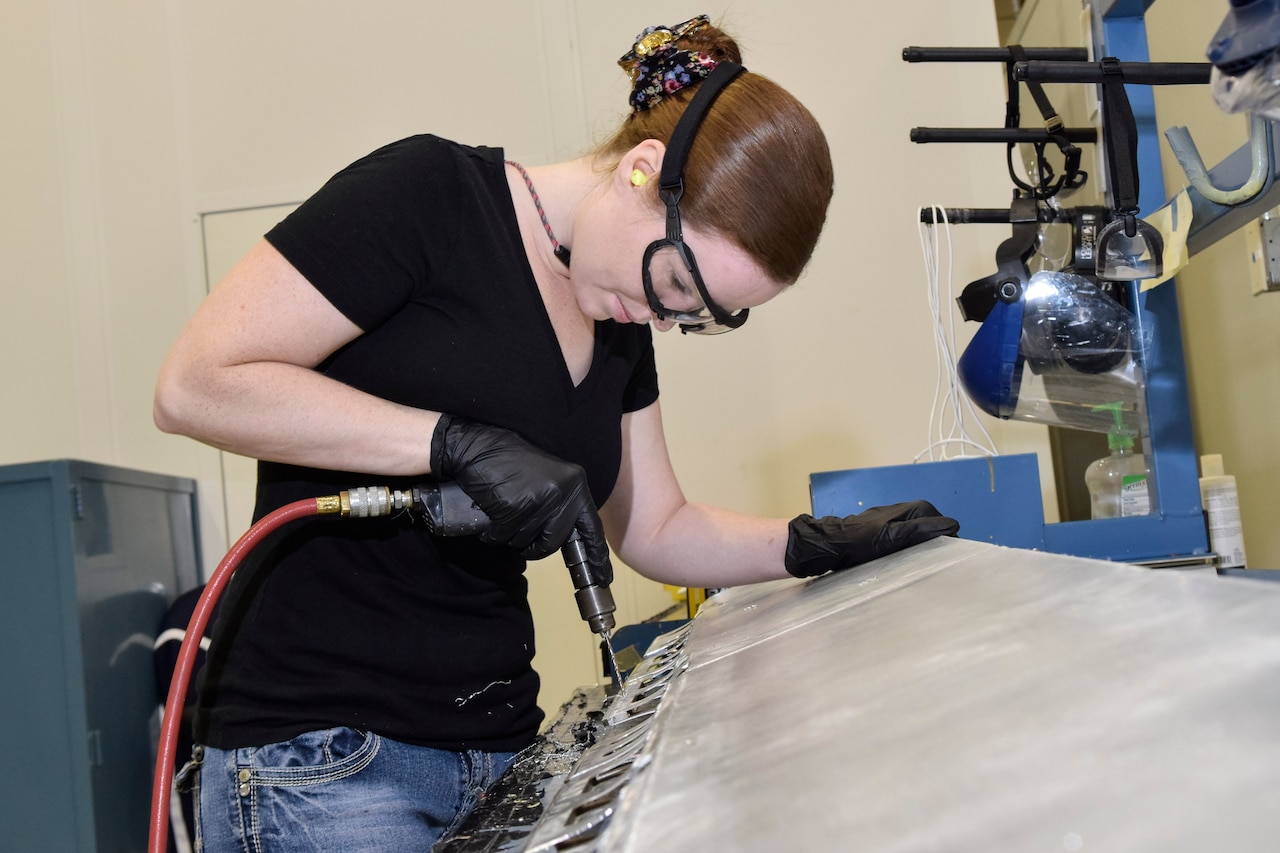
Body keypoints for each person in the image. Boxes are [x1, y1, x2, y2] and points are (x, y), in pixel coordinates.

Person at [153, 14, 959, 851]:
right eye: (679, 281)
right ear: (643, 173)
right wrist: (449, 443)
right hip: (325, 763)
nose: (670, 317)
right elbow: (196, 384)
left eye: (705, 315)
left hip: (499, 753)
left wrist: (810, 543)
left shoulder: (622, 319)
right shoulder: (431, 197)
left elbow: (656, 526)